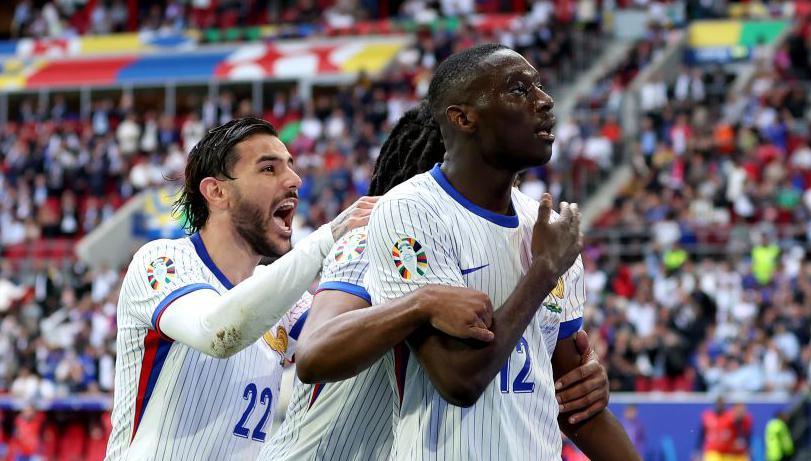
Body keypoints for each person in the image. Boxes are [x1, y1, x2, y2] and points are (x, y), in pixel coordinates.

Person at [261, 103, 611, 459]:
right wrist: (421, 302)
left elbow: (554, 389)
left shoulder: (515, 247)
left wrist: (577, 384)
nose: (506, 193)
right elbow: (314, 354)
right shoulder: (373, 237)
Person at [363, 44, 637, 459]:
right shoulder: (410, 211)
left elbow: (578, 405)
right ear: (463, 118)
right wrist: (543, 269)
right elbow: (459, 379)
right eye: (518, 90)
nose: (544, 101)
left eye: (540, 87)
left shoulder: (546, 228)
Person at [104, 117, 376, 460]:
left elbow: (342, 341)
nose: (294, 180)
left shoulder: (281, 297)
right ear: (217, 192)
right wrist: (328, 238)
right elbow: (217, 332)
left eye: (290, 167)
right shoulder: (161, 262)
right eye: (268, 169)